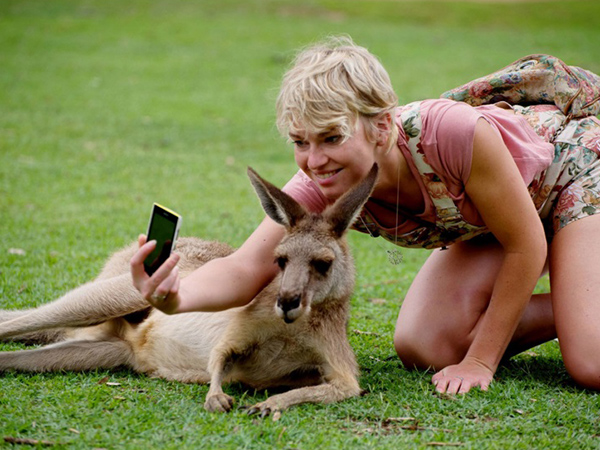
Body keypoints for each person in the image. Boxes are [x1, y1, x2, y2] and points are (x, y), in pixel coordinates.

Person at [130, 36, 600, 395]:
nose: (314, 160)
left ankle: (585, 312)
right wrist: (174, 296)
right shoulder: (320, 188)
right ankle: (580, 303)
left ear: (381, 126)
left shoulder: (454, 135)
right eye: (300, 141)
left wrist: (480, 362)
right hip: (500, 220)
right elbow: (241, 269)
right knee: (425, 346)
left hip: (576, 173)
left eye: (331, 138)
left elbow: (525, 244)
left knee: (589, 359)